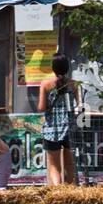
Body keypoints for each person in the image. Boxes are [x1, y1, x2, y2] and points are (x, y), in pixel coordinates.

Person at [39, 54, 77, 186]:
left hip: (51, 130)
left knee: (54, 165)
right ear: (67, 68)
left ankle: (58, 192)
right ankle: (69, 191)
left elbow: (41, 107)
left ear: (53, 67)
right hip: (70, 128)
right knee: (69, 163)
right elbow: (79, 105)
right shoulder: (73, 84)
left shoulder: (46, 84)